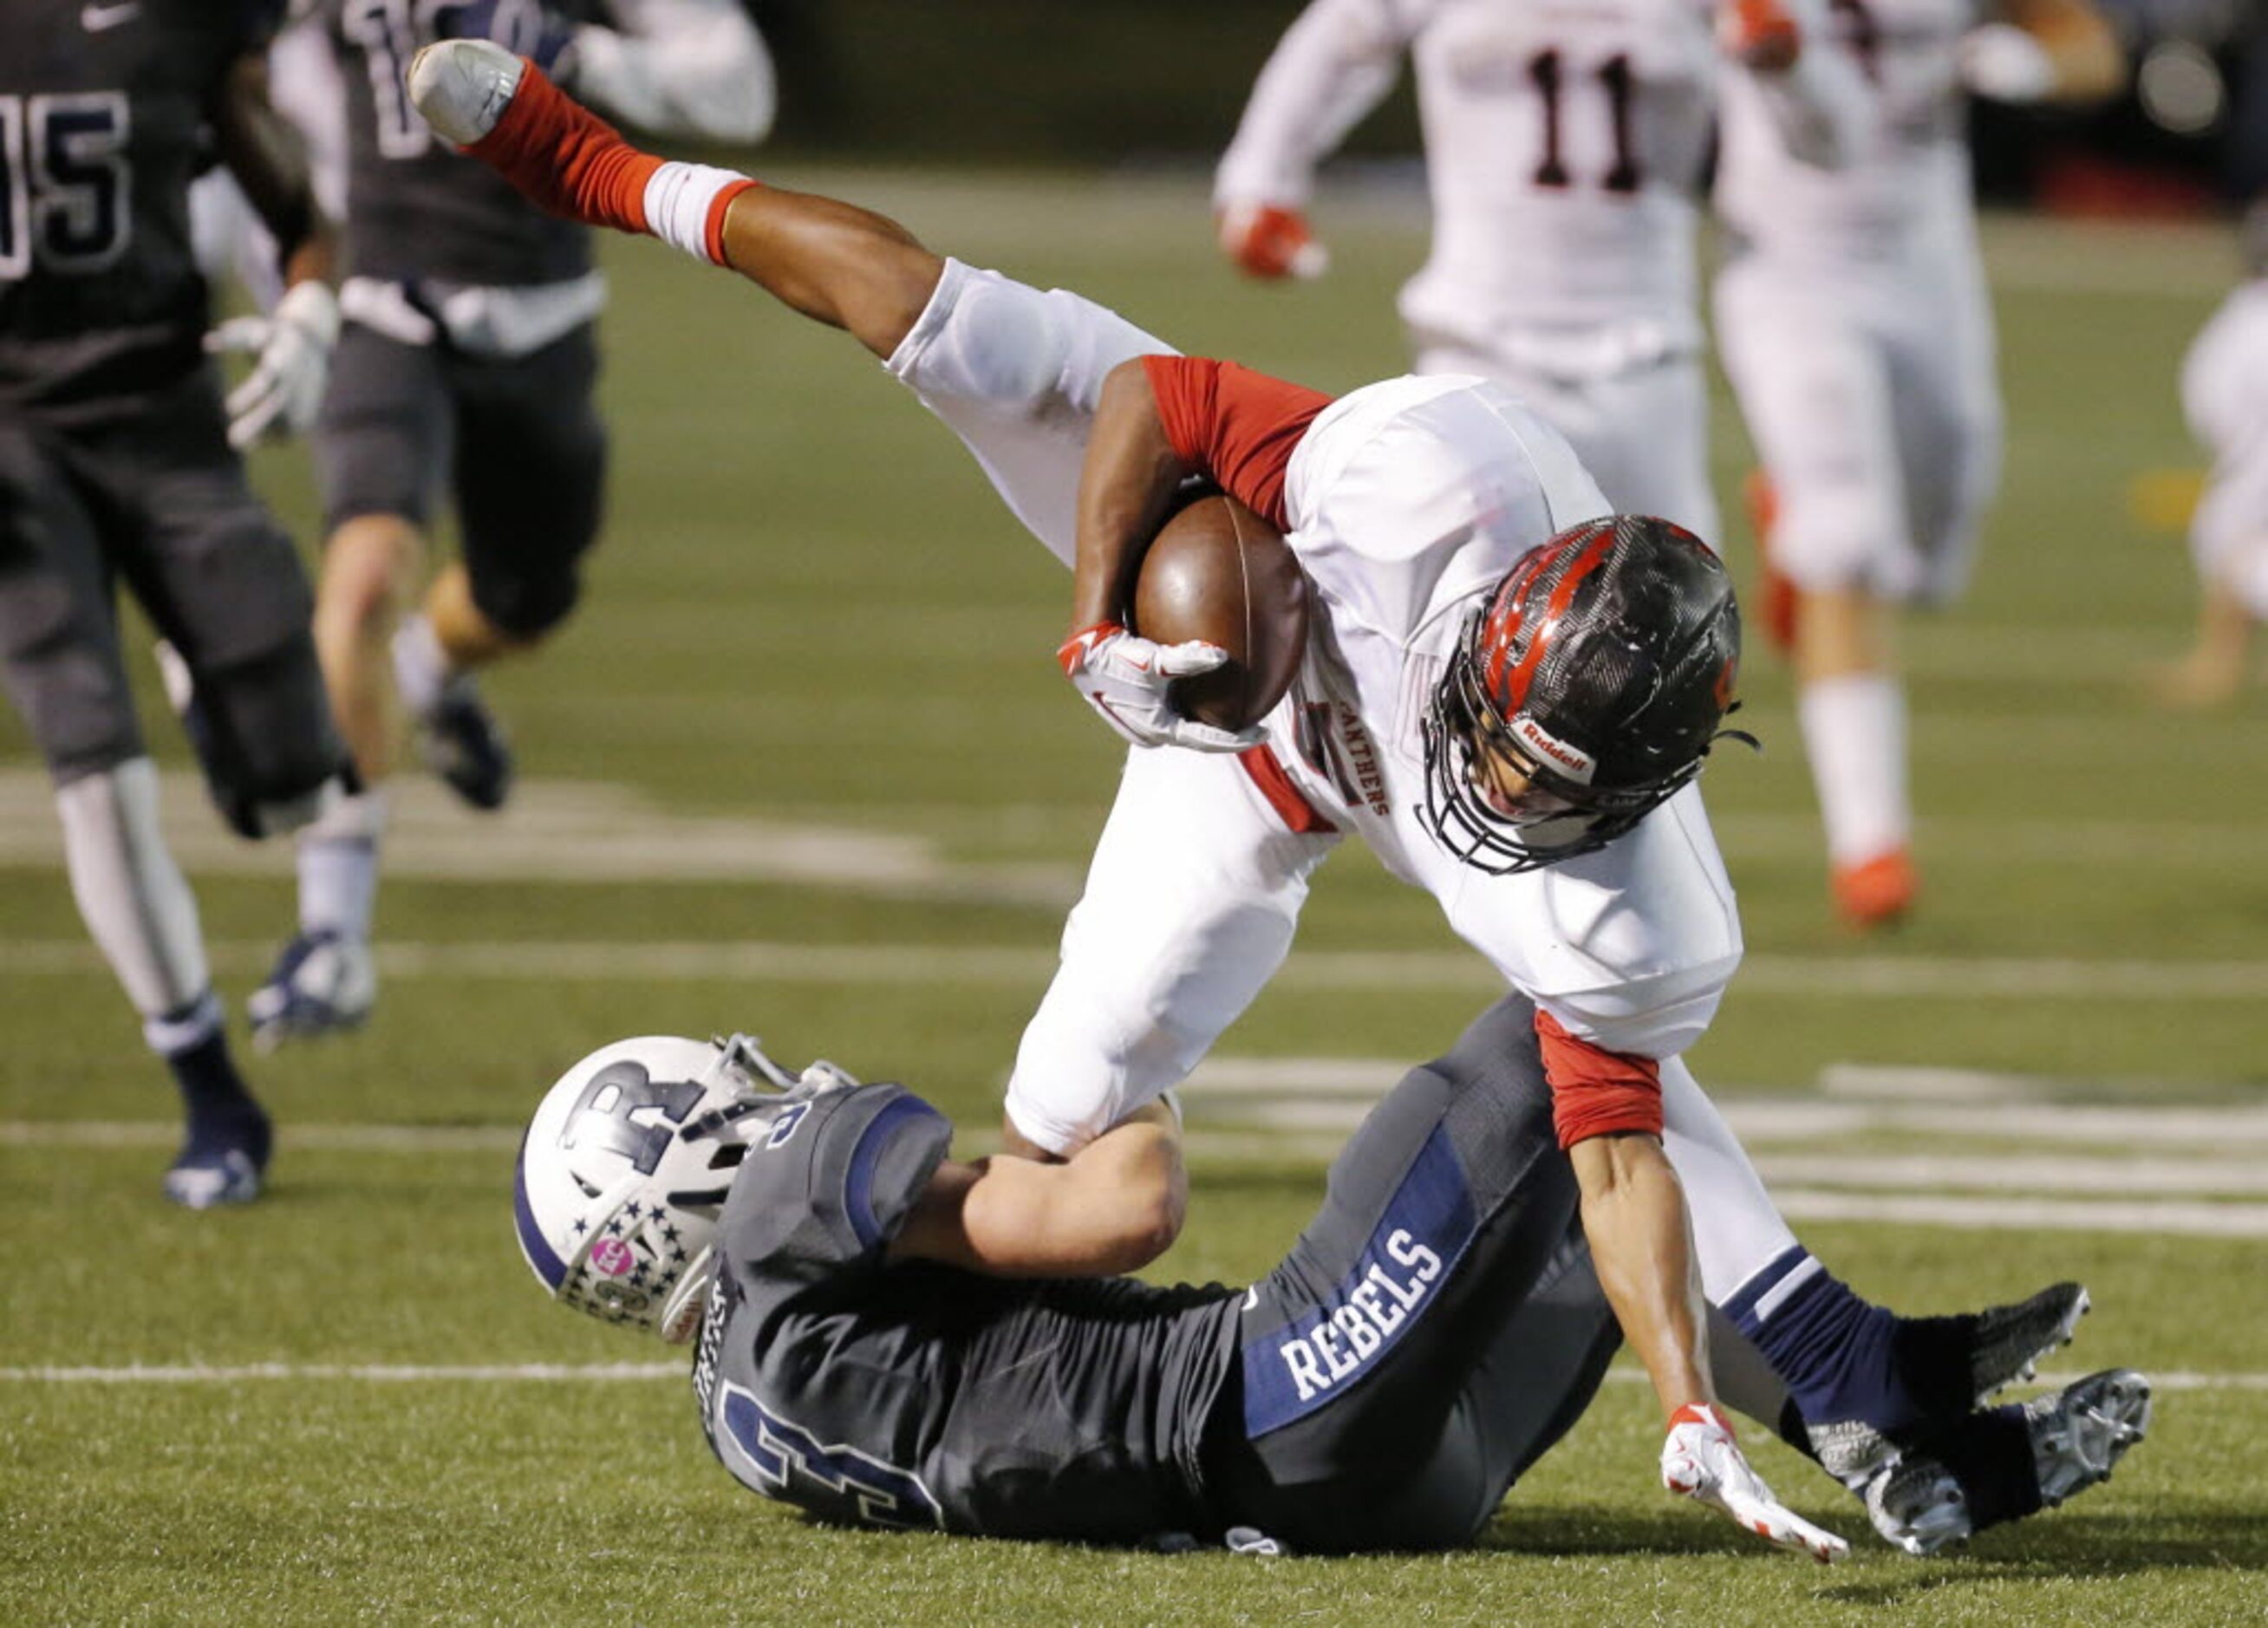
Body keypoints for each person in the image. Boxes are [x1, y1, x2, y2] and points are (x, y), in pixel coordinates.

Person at [412, 39, 2095, 1519]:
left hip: (1400, 684)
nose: (1517, 788)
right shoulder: (1409, 484)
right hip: (1226, 724)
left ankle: (1837, 1366)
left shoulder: (1618, 879)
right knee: (1068, 1128)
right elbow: (1090, 362)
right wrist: (1104, 613)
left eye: (1565, 786)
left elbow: (1614, 1151)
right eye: (1515, 747)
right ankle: (597, 162)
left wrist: (1687, 1394)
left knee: (1588, 1057)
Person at [513, 1022, 2150, 1555]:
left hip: (1341, 1497)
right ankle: (1852, 1369)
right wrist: (1126, 1014)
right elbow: (1121, 1210)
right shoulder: (792, 1203)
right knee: (1565, 1011)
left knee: (1599, 1193)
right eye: (710, 1093)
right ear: (673, 1170)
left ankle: (1906, 1450)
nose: (755, 1084)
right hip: (1284, 1377)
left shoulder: (738, 1402)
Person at [247, 0, 779, 1050]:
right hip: (386, 305)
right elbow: (245, 69)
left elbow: (742, 90)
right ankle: (332, 936)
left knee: (523, 601)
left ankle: (435, 673)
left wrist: (591, 62)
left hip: (542, 318)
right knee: (355, 584)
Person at [0, 0, 356, 1207]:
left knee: (296, 778)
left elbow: (301, 213)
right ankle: (210, 1087)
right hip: (9, 440)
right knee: (92, 762)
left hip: (164, 416)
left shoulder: (180, 25)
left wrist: (309, 315)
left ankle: (215, 681)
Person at [1712, 0, 2124, 927]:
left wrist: (2031, 62)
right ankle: (1872, 848)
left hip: (1924, 265)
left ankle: (1798, 543)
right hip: (1790, 268)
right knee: (1852, 537)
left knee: (1933, 548)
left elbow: (2093, 51)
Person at [1211, 0, 1866, 544]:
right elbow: (1338, 38)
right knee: (1454, 617)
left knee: (1676, 629)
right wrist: (1259, 181)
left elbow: (1839, 141)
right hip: (1477, 340)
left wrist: (1793, 63)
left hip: (1643, 353)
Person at [2152, 198, 2268, 708]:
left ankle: (2215, 667)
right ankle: (2216, 664)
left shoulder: (2247, 326)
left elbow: (2215, 407)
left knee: (2228, 545)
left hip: (2254, 455)